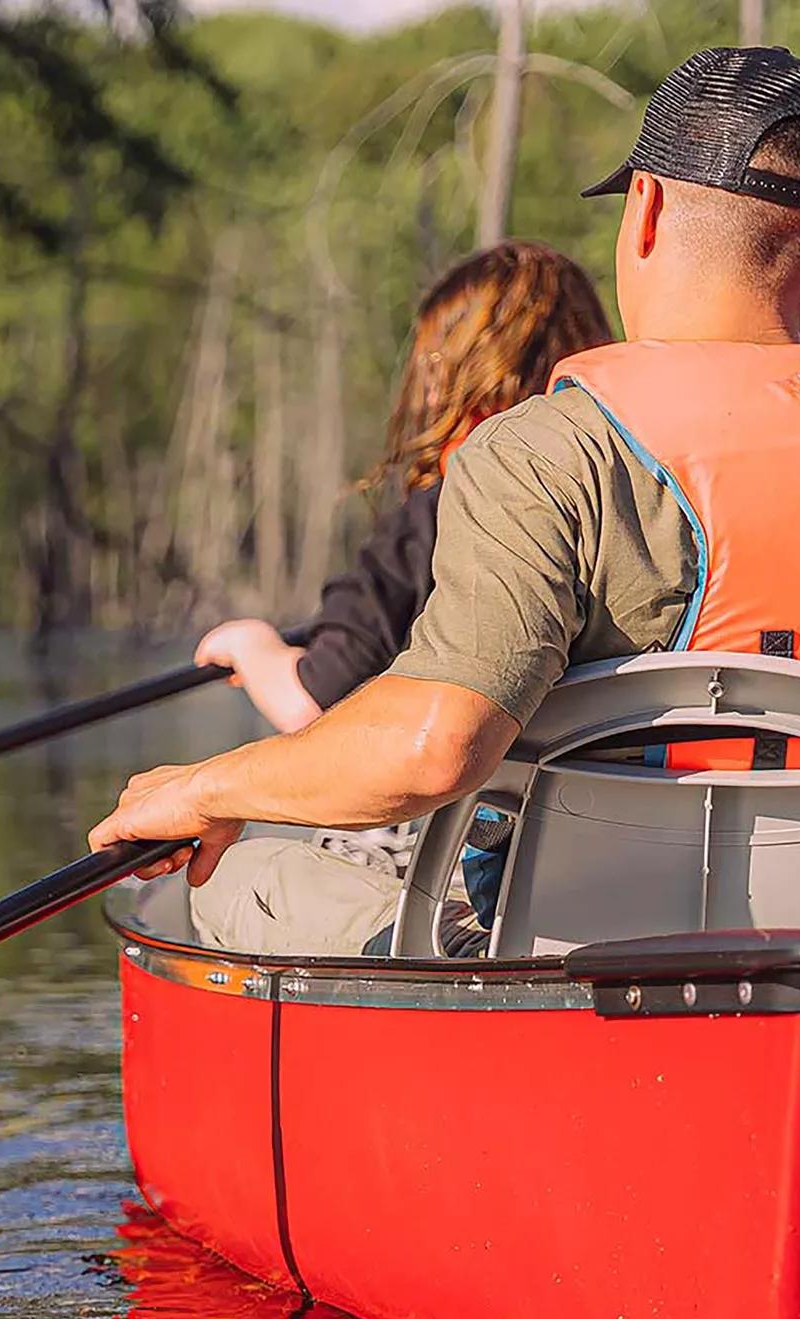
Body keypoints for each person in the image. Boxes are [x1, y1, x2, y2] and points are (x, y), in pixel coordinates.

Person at [90, 45, 800, 967]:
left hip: (594, 963)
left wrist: (206, 786)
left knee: (228, 878)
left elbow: (435, 751)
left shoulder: (551, 452)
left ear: (644, 209)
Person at [189, 243, 611, 956]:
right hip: (594, 863)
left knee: (232, 874)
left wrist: (255, 650)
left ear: (446, 380)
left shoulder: (437, 516)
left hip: (462, 869)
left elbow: (315, 700)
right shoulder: (625, 504)